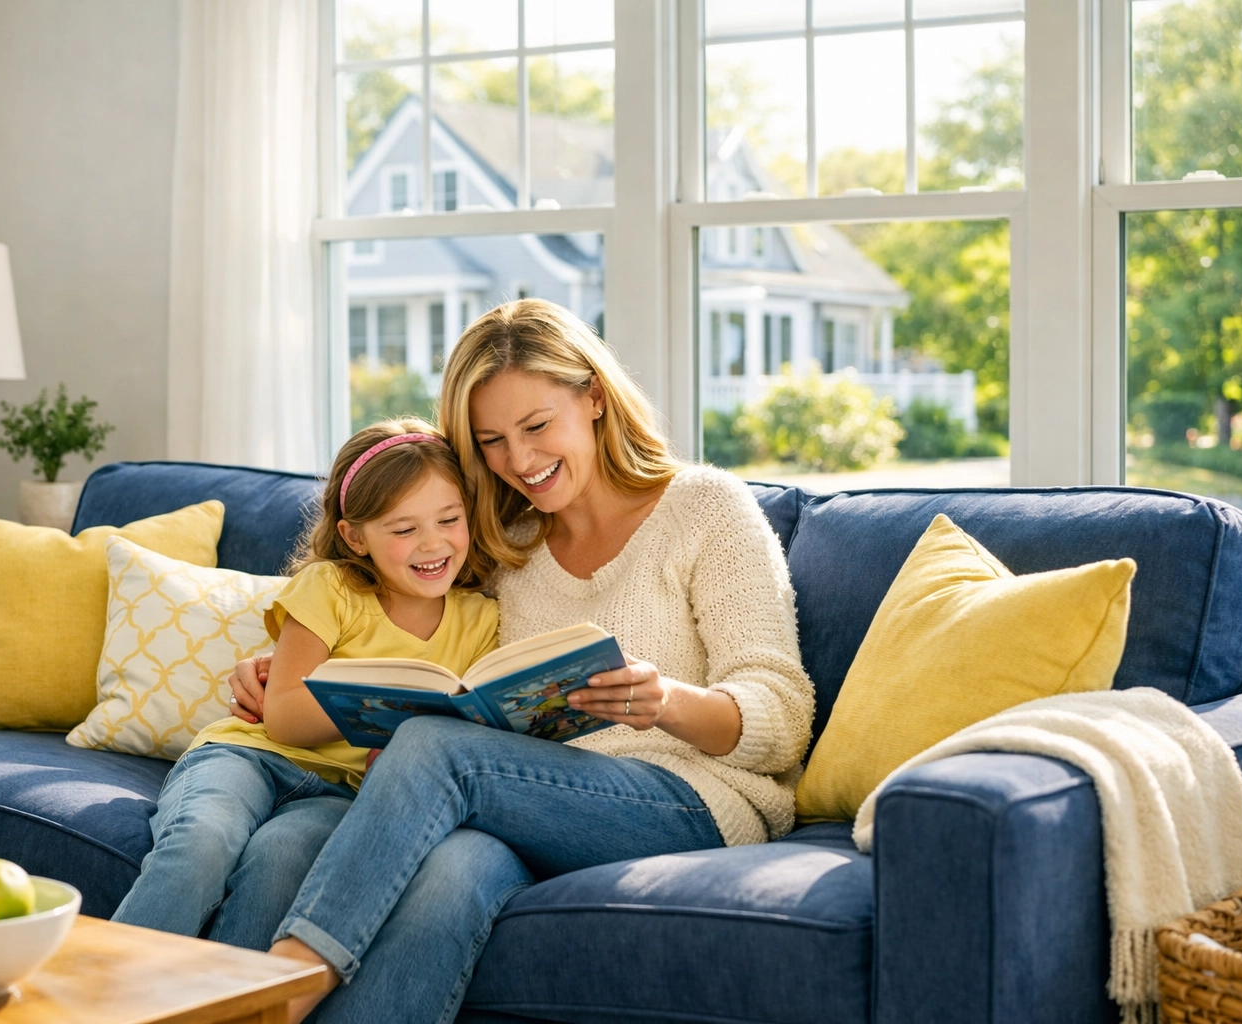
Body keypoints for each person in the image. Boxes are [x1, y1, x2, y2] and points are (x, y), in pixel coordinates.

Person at [233, 298, 816, 1023]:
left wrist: (666, 700)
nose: (522, 461)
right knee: (421, 867)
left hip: (691, 801)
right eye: (492, 442)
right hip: (527, 806)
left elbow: (784, 717)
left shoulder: (706, 509)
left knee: (436, 750)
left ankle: (276, 990)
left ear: (594, 398)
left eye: (537, 426)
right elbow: (397, 606)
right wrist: (284, 659)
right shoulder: (505, 542)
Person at [109, 418, 499, 939]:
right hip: (250, 756)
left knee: (279, 866)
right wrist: (390, 705)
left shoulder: (480, 620)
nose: (433, 544)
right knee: (202, 840)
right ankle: (108, 991)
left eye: (449, 519)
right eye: (404, 529)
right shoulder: (331, 588)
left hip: (340, 794)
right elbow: (285, 718)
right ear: (354, 536)